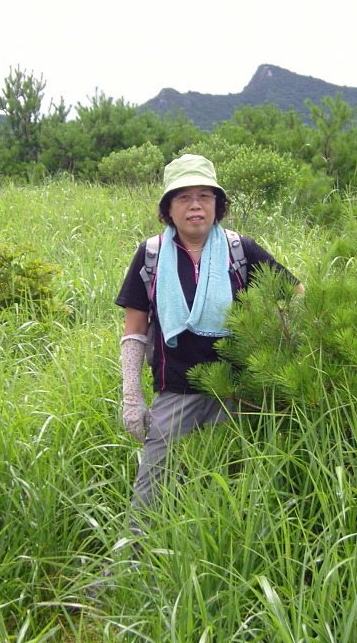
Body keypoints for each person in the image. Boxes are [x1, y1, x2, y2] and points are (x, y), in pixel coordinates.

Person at [114, 154, 302, 525]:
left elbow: (296, 297)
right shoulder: (150, 255)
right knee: (153, 486)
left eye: (205, 195)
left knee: (237, 482)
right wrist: (132, 399)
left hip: (239, 391)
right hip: (175, 391)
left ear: (219, 204)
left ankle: (229, 552)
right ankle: (129, 562)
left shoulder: (240, 250)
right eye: (183, 197)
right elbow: (134, 331)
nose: (195, 205)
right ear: (168, 208)